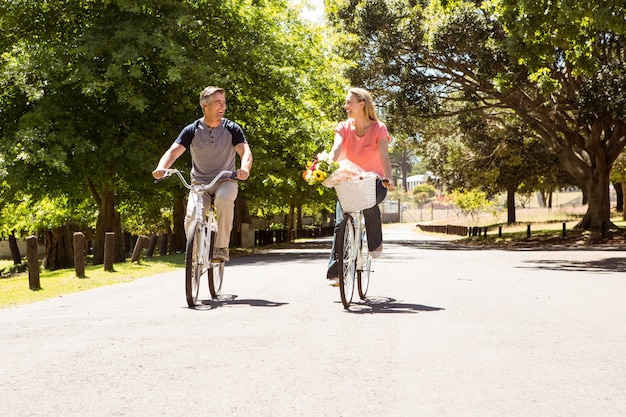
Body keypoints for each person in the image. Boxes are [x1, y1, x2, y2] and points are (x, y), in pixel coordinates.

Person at [152, 86, 253, 262]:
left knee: (223, 200)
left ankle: (221, 247)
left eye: (224, 103)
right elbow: (173, 152)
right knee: (190, 217)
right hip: (199, 185)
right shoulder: (192, 130)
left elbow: (245, 152)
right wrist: (162, 167)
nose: (223, 107)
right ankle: (195, 256)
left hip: (226, 180)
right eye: (218, 103)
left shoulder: (232, 128)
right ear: (205, 105)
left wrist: (244, 168)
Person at [326, 87, 394, 285]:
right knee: (341, 223)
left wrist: (388, 177)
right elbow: (336, 149)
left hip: (374, 182)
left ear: (362, 104)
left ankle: (375, 242)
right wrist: (324, 167)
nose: (345, 106)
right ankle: (335, 271)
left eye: (349, 102)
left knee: (368, 202)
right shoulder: (343, 127)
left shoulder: (378, 128)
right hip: (348, 182)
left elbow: (384, 155)